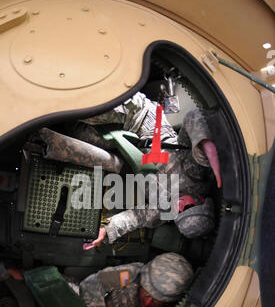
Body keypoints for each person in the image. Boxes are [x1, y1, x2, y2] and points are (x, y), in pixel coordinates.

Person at [79, 92, 222, 250]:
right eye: (188, 207)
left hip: (126, 144)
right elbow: (193, 117)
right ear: (200, 200)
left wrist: (106, 231)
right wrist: (204, 143)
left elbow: (135, 218)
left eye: (179, 214)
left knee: (76, 133)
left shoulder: (166, 209)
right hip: (140, 118)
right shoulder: (195, 173)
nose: (180, 207)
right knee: (79, 109)